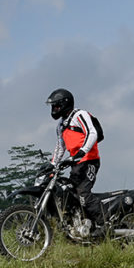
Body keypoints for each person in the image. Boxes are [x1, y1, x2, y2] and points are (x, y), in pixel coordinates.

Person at [46, 88, 103, 233]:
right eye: (53, 107)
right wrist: (52, 166)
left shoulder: (80, 115)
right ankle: (82, 224)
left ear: (65, 104)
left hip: (90, 160)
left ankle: (104, 223)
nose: (54, 109)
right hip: (76, 164)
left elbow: (92, 133)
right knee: (69, 193)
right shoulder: (60, 126)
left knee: (83, 194)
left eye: (56, 106)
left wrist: (82, 151)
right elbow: (60, 148)